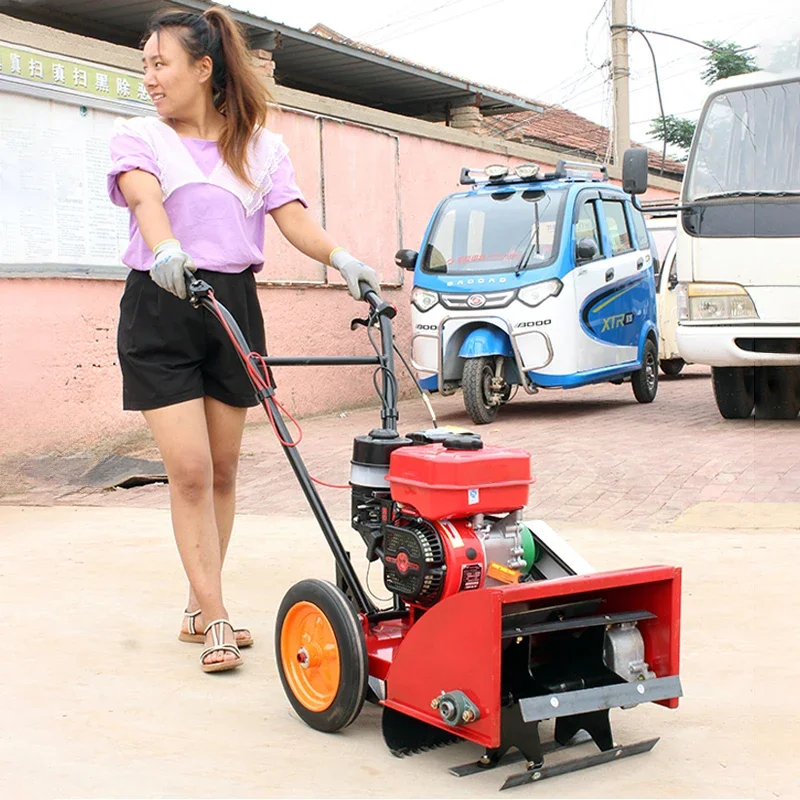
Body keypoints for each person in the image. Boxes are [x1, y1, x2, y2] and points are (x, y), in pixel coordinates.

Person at [107, 6, 380, 674]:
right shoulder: (140, 136)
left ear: (203, 69)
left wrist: (344, 261)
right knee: (192, 470)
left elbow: (293, 220)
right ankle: (218, 615)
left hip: (231, 305)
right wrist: (167, 248)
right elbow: (146, 201)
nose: (148, 76)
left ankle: (200, 603)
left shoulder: (260, 146)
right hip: (161, 300)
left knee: (224, 470)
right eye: (144, 63)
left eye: (159, 62)